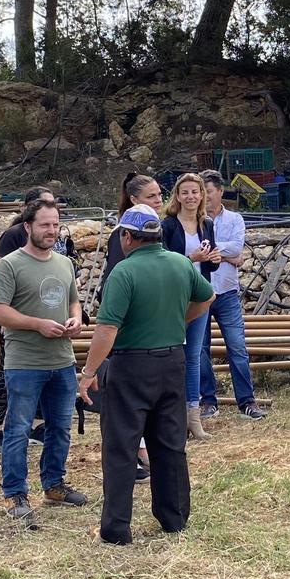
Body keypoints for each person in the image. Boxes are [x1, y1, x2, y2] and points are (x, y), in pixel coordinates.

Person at [78, 205, 215, 543]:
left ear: (127, 236)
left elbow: (107, 329)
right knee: (170, 443)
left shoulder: (124, 273)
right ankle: (174, 518)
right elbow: (207, 297)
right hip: (172, 361)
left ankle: (116, 528)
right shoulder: (181, 263)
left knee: (121, 446)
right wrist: (176, 321)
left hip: (131, 366)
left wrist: (88, 372)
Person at [0, 199, 86, 527]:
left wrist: (75, 320)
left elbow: (73, 301)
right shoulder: (10, 265)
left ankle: (53, 485)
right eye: (44, 225)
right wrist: (37, 324)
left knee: (59, 428)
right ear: (27, 227)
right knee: (17, 428)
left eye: (55, 225)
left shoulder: (63, 263)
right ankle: (15, 493)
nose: (51, 231)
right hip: (24, 362)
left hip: (61, 360)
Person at [0, 186, 61, 456]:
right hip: (17, 321)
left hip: (52, 319)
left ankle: (38, 425)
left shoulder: (59, 237)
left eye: (53, 207)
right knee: (8, 374)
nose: (51, 226)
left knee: (47, 374)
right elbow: (0, 280)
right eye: (43, 205)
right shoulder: (12, 236)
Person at [196, 171, 267, 420]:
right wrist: (226, 256)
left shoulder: (235, 219)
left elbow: (238, 248)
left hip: (226, 293)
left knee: (237, 347)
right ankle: (208, 400)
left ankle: (246, 402)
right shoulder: (193, 221)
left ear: (220, 192)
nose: (204, 197)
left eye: (208, 191)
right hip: (198, 294)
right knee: (200, 349)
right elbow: (194, 251)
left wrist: (212, 252)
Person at [160, 173, 220, 440]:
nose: (190, 197)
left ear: (202, 195)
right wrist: (190, 258)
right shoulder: (168, 226)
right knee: (173, 356)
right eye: (185, 192)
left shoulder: (206, 224)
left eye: (195, 192)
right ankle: (172, 415)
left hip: (199, 296)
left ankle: (193, 417)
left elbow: (208, 263)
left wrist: (214, 259)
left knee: (194, 356)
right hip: (174, 299)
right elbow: (163, 262)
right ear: (177, 196)